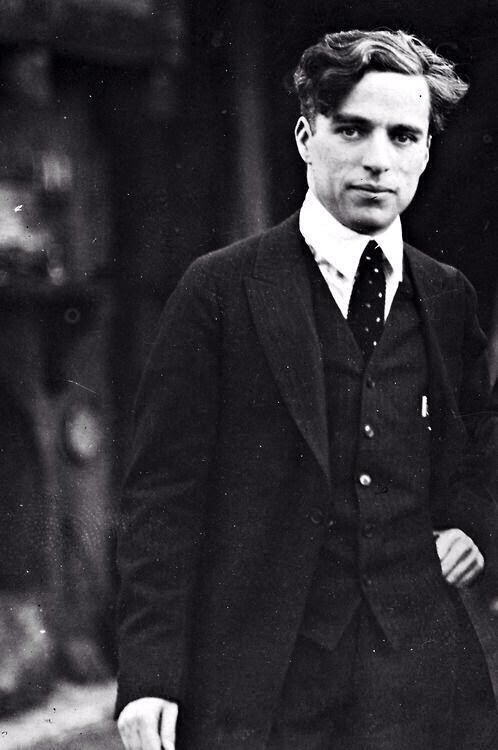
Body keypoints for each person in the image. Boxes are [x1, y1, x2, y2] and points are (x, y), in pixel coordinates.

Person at [115, 29, 498, 750]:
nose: (377, 159)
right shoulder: (220, 290)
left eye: (402, 136)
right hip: (268, 682)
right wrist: (150, 676)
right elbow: (161, 497)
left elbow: (480, 436)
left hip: (421, 683)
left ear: (423, 152)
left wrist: (473, 521)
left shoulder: (447, 298)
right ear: (305, 135)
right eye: (352, 129)